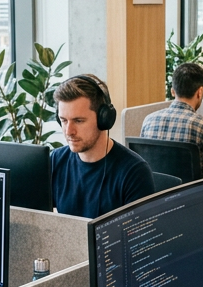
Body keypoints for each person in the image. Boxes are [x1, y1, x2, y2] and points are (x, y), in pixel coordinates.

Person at [51, 74, 154, 218]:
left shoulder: (133, 172)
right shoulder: (55, 161)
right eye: (63, 120)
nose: (69, 131)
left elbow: (139, 237)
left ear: (104, 118)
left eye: (79, 121)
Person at [139, 63, 203, 175]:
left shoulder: (149, 121)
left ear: (172, 91)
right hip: (193, 192)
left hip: (160, 192)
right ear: (200, 92)